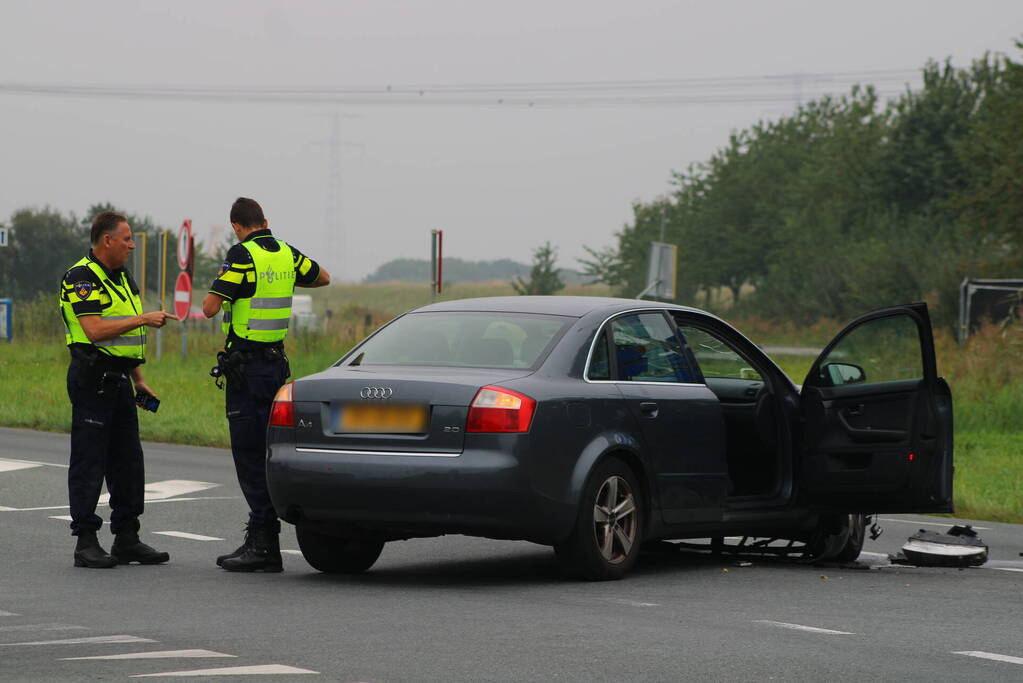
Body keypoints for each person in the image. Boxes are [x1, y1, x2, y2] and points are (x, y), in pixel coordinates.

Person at [203, 197, 330, 572]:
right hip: (275, 366)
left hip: (247, 369)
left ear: (237, 227)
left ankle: (263, 542)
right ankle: (263, 537)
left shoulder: (241, 255)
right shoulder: (286, 253)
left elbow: (210, 307)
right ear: (265, 221)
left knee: (248, 453)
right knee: (267, 450)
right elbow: (323, 277)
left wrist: (234, 287)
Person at [59, 211, 176, 568]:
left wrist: (139, 379)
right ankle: (86, 542)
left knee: (128, 462)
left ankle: (127, 538)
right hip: (92, 379)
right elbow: (94, 330)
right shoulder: (81, 277)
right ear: (107, 240)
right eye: (126, 239)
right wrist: (143, 318)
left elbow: (125, 338)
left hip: (121, 379)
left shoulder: (123, 277)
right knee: (89, 461)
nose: (131, 245)